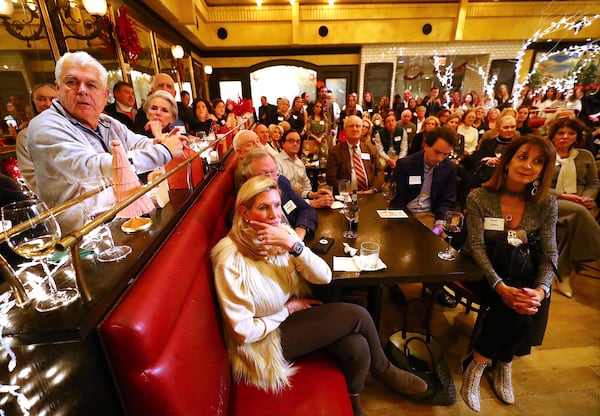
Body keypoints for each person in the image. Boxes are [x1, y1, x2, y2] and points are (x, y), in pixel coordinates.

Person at [211, 175, 428, 416]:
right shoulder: (229, 260)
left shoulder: (281, 233)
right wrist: (287, 310)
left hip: (287, 318)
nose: (274, 215)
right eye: (263, 207)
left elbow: (324, 276)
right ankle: (384, 369)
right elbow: (242, 333)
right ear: (244, 211)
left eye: (276, 205)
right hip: (262, 342)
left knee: (357, 347)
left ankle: (354, 402)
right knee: (357, 314)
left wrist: (295, 247)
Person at [26, 51, 184, 233]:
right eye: (72, 82)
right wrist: (164, 151)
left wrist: (160, 142)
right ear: (58, 89)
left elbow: (136, 142)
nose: (82, 90)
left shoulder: (106, 122)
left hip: (118, 218)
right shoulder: (45, 126)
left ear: (104, 95)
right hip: (81, 236)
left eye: (91, 85)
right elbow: (90, 168)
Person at [460, 135, 558, 412]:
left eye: (538, 161)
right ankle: (489, 362)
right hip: (479, 269)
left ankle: (488, 360)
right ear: (507, 161)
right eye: (523, 157)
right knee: (515, 302)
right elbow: (477, 247)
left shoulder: (546, 204)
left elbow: (550, 251)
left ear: (544, 170)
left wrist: (541, 289)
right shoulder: (480, 196)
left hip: (520, 268)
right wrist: (500, 286)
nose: (528, 166)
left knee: (528, 298)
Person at [390, 126, 459, 307]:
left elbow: (447, 200)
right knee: (397, 243)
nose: (439, 159)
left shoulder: (449, 168)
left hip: (429, 215)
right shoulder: (406, 164)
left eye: (445, 155)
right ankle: (393, 284)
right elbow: (396, 199)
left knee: (445, 247)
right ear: (426, 145)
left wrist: (440, 221)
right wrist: (404, 221)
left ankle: (436, 286)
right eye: (437, 152)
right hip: (406, 214)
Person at [547, 117, 600, 298]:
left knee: (572, 225)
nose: (565, 137)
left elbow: (593, 183)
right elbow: (537, 185)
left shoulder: (585, 156)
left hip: (580, 204)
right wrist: (564, 196)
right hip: (551, 199)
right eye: (561, 133)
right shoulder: (545, 155)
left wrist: (587, 197)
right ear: (553, 136)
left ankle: (563, 276)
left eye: (570, 133)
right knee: (579, 213)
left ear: (576, 136)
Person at [239, 149, 317, 240]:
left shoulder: (281, 183)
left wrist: (299, 233)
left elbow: (306, 209)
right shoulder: (246, 207)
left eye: (273, 172)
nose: (272, 180)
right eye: (265, 175)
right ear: (249, 178)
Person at [16, 83, 58, 194]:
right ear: (33, 102)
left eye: (53, 99)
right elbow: (30, 174)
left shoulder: (74, 127)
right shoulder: (25, 136)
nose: (47, 104)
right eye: (41, 99)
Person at [276, 130, 334, 208]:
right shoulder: (276, 162)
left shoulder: (299, 163)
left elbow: (307, 185)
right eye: (291, 141)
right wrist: (310, 199)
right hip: (286, 205)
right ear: (283, 143)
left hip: (304, 202)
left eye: (298, 141)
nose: (295, 144)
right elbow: (284, 189)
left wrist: (314, 195)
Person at [326, 115, 383, 194]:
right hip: (347, 196)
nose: (355, 129)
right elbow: (331, 179)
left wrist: (373, 189)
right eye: (351, 126)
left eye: (358, 126)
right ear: (345, 130)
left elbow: (379, 171)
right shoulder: (335, 151)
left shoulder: (371, 149)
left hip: (370, 195)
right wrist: (348, 191)